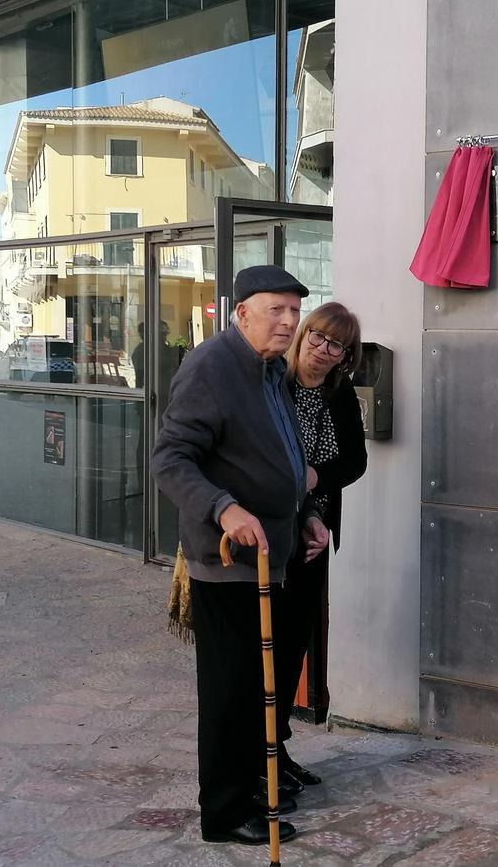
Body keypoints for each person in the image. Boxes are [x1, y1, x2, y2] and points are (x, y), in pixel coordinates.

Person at [151, 264, 330, 847]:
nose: (288, 322)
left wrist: (304, 514)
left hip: (273, 553)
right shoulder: (210, 366)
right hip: (227, 558)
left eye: (294, 311)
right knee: (230, 691)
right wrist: (224, 508)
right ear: (241, 313)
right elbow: (171, 458)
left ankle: (251, 782)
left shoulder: (272, 370)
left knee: (261, 685)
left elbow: (281, 451)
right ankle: (224, 813)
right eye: (275, 310)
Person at [274, 303, 366, 790]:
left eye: (337, 347)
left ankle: (278, 745)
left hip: (316, 533)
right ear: (303, 334)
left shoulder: (339, 392)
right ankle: (260, 750)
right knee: (265, 645)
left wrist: (317, 476)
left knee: (296, 644)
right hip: (272, 530)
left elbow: (355, 460)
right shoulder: (275, 384)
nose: (324, 352)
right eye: (318, 339)